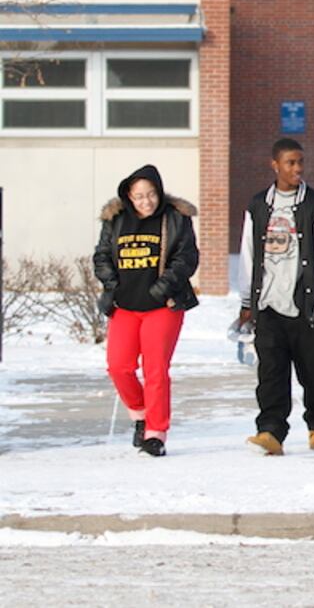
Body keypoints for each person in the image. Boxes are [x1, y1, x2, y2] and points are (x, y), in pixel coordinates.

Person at [236, 137, 314, 456]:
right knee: (270, 374)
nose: (296, 168)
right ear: (275, 165)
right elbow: (248, 254)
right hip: (268, 305)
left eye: (300, 163)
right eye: (290, 163)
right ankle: (270, 431)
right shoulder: (258, 205)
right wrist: (246, 302)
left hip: (306, 307)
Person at [92, 165, 200, 457]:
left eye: (151, 194)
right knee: (118, 367)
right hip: (125, 306)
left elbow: (186, 258)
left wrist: (160, 288)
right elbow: (101, 255)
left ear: (159, 192)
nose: (146, 201)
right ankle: (140, 413)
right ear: (129, 195)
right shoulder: (115, 221)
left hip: (162, 306)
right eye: (139, 196)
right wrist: (113, 285)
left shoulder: (175, 217)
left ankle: (156, 433)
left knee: (155, 370)